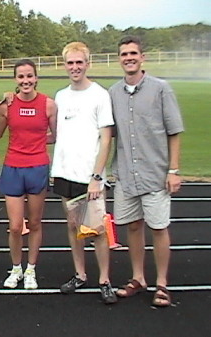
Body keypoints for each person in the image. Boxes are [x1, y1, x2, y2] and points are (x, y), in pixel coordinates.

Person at [109, 36, 184, 307]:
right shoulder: (113, 92)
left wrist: (173, 170)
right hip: (127, 175)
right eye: (123, 54)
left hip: (155, 174)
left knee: (159, 227)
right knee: (132, 226)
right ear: (119, 59)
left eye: (133, 53)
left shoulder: (161, 89)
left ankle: (162, 283)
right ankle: (138, 277)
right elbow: (108, 133)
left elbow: (174, 131)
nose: (128, 57)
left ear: (142, 57)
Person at [51, 42, 117, 304]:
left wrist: (97, 177)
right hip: (65, 173)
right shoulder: (61, 96)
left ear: (87, 63)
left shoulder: (100, 95)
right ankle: (80, 274)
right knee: (74, 226)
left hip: (90, 177)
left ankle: (105, 280)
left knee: (97, 229)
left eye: (80, 62)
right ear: (65, 65)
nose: (75, 67)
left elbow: (106, 139)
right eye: (70, 63)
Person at [0, 59, 57, 289]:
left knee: (36, 222)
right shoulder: (7, 105)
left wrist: (36, 143)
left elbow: (55, 136)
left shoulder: (48, 105)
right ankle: (16, 268)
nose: (26, 81)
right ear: (15, 80)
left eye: (29, 76)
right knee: (16, 226)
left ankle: (31, 269)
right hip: (13, 168)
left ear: (36, 78)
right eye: (21, 77)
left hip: (38, 167)